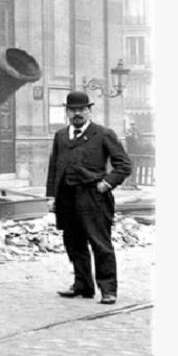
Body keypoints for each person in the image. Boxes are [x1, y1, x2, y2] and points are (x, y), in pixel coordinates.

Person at [46, 90, 133, 304]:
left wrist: (106, 184)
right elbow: (54, 166)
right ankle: (82, 285)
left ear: (89, 111)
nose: (77, 113)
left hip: (93, 197)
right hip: (67, 197)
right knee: (73, 243)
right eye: (73, 110)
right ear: (67, 111)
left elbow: (124, 165)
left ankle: (108, 289)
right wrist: (51, 195)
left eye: (82, 109)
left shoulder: (103, 134)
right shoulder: (61, 136)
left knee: (100, 243)